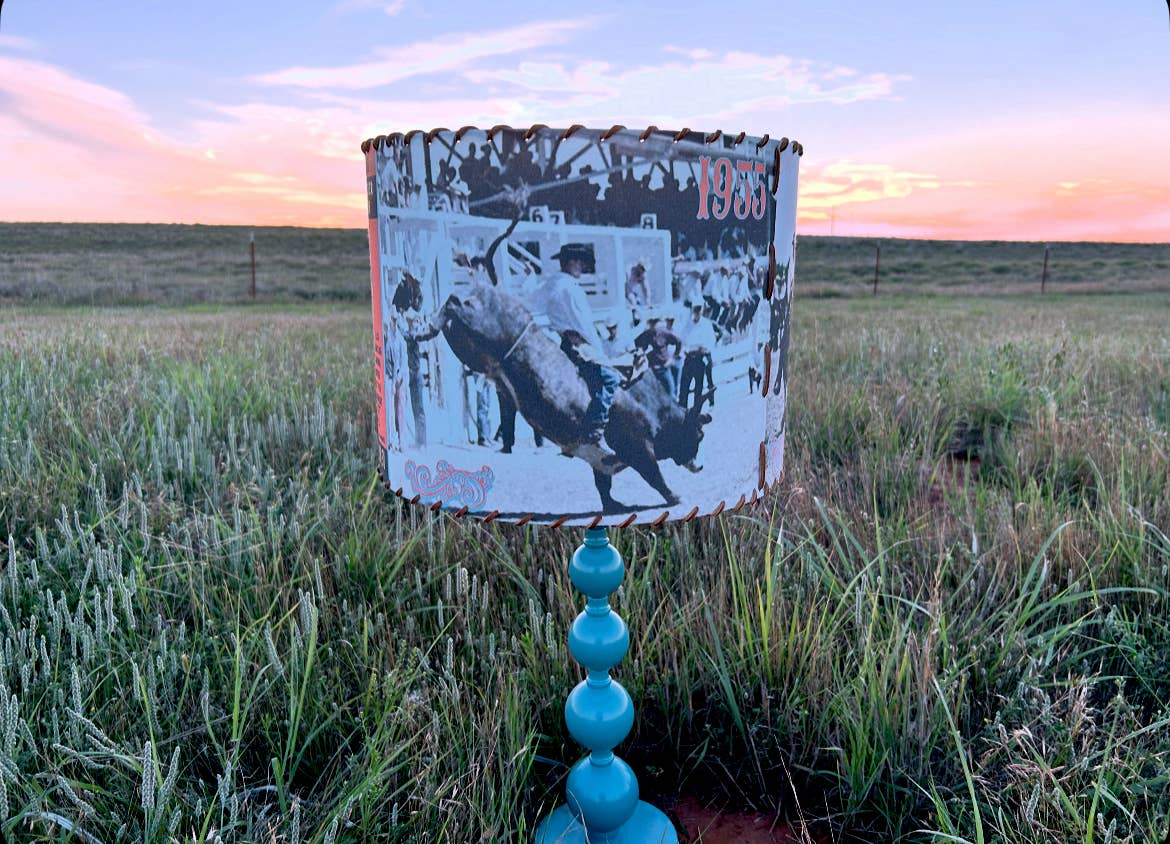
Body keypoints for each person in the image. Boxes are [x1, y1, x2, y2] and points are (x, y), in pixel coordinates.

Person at [535, 242, 620, 445]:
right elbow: (583, 325)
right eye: (580, 262)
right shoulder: (570, 289)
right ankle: (594, 426)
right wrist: (600, 354)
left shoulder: (551, 283)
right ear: (571, 262)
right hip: (578, 344)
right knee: (610, 379)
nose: (582, 266)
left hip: (562, 341)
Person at [633, 313, 683, 401]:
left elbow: (679, 342)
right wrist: (641, 353)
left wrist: (673, 358)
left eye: (655, 322)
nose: (653, 325)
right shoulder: (647, 334)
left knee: (671, 393)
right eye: (651, 322)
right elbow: (637, 344)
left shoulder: (664, 333)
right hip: (652, 369)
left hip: (664, 367)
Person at [678, 303, 718, 409]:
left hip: (701, 357)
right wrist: (684, 351)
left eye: (699, 310)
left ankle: (696, 411)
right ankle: (682, 410)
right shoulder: (687, 325)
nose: (697, 313)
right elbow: (682, 341)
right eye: (695, 310)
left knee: (699, 386)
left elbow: (711, 340)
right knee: (684, 386)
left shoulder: (706, 324)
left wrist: (705, 348)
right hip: (690, 357)